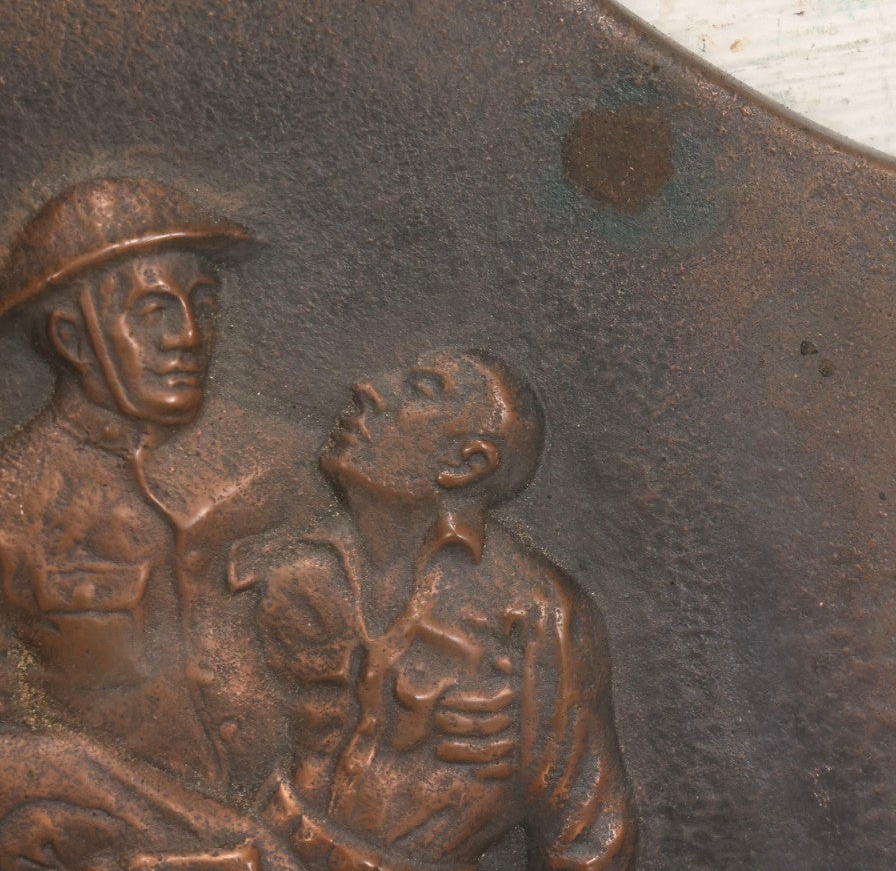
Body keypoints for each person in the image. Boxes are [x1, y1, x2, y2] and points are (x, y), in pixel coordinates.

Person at [0, 177, 312, 868]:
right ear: (73, 339)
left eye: (202, 304)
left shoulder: (286, 467)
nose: (189, 336)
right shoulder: (10, 503)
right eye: (151, 311)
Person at [259, 350, 638, 871]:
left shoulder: (536, 612)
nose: (368, 387)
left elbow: (589, 840)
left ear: (467, 464)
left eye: (422, 389)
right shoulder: (288, 569)